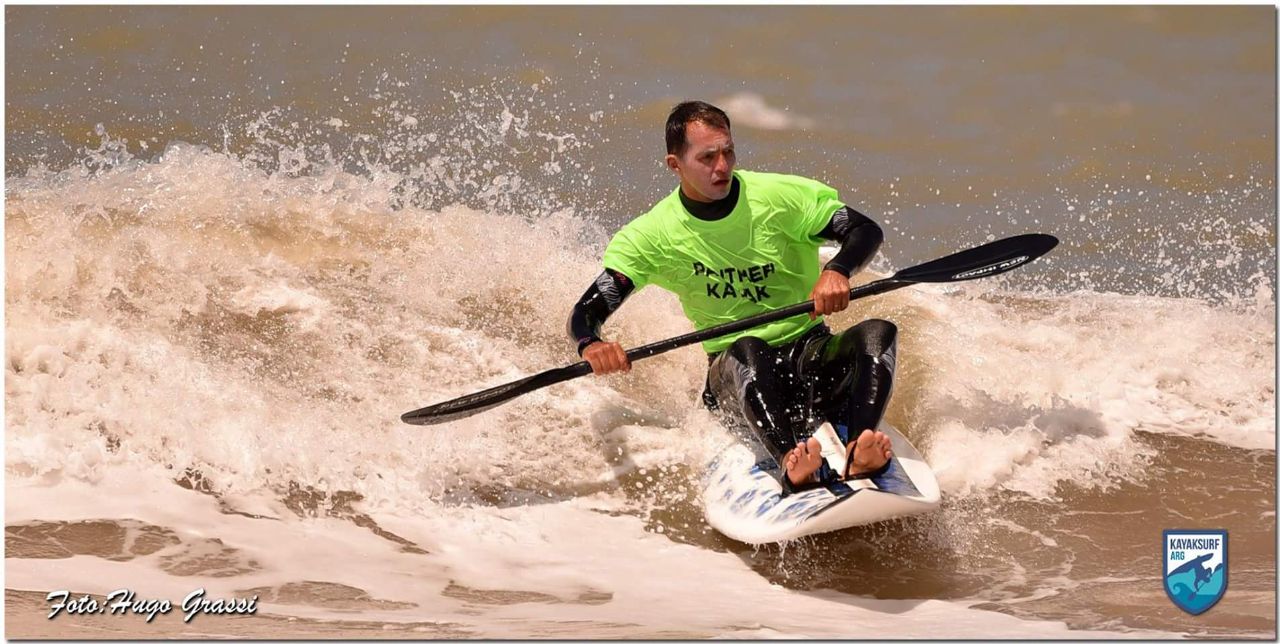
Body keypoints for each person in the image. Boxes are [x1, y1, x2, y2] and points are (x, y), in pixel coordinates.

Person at [567, 101, 897, 495]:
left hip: (810, 354)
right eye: (707, 157)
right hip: (737, 375)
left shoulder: (780, 198)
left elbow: (864, 230)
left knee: (878, 332)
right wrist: (592, 344)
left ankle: (860, 448)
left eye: (728, 152)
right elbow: (587, 311)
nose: (722, 167)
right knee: (749, 347)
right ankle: (792, 464)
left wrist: (837, 270)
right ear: (675, 164)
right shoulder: (652, 236)